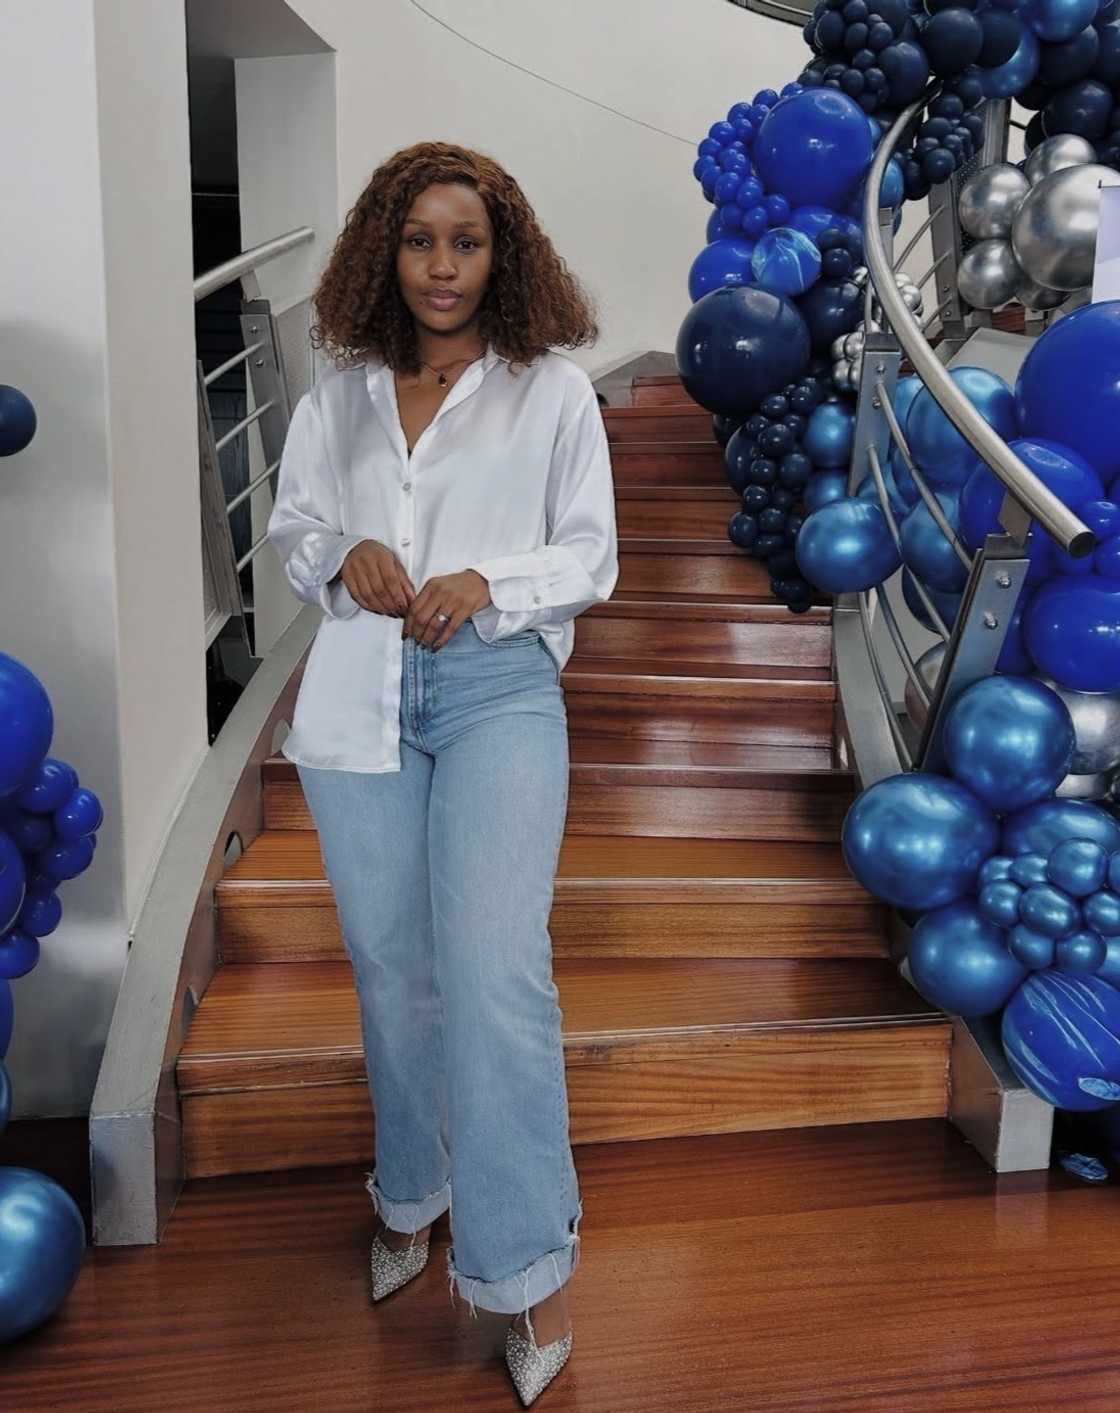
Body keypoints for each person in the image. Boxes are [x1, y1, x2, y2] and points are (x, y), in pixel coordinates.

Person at [266, 140, 619, 1406]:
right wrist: (340, 555)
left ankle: (526, 1270)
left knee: (496, 972)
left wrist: (489, 581)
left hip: (496, 688)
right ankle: (410, 1195)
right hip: (356, 695)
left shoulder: (553, 392)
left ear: (502, 255)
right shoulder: (338, 397)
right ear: (386, 251)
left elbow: (590, 554)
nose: (441, 265)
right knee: (391, 970)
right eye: (419, 239)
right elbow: (293, 527)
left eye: (466, 241)